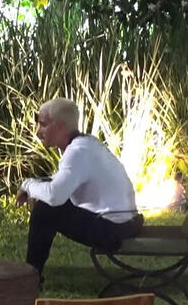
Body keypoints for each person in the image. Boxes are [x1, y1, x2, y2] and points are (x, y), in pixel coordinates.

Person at [17, 98, 144, 282]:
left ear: (61, 127)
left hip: (113, 230)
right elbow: (59, 183)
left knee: (46, 210)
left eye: (43, 124)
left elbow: (55, 196)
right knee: (46, 198)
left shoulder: (77, 152)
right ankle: (32, 274)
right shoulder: (86, 144)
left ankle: (30, 278)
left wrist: (28, 185)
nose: (38, 131)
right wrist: (33, 187)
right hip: (125, 222)